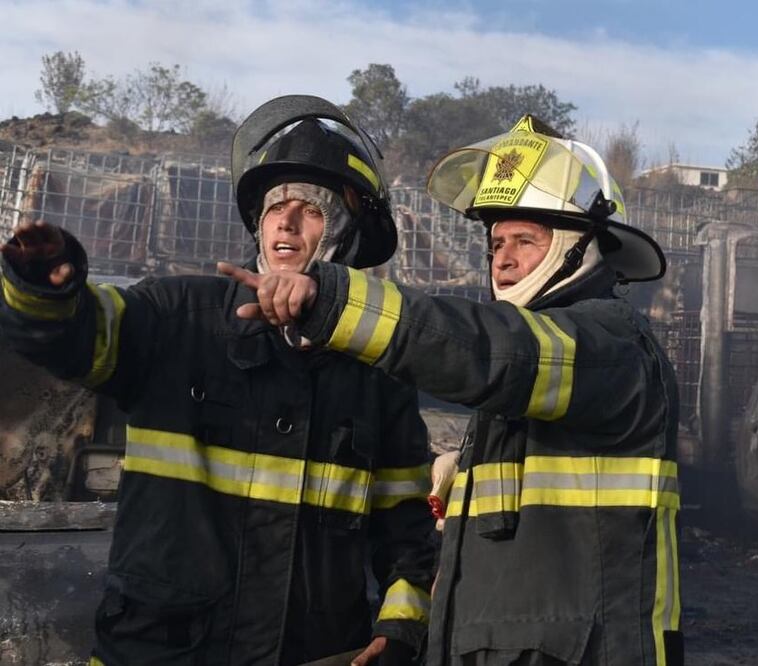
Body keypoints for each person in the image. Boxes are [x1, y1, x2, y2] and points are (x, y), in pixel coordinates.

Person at [220, 115, 683, 665]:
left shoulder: (610, 344)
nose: (503, 259)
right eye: (495, 243)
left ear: (579, 248)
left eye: (525, 241)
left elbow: (493, 353)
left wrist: (332, 301)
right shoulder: (536, 379)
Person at [0, 95, 435, 666]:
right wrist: (45, 291)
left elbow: (406, 534)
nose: (285, 219)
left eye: (311, 207)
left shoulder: (379, 372)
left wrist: (400, 632)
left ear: (348, 230)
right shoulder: (176, 317)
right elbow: (79, 337)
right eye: (275, 205)